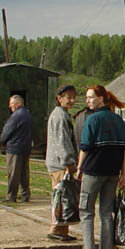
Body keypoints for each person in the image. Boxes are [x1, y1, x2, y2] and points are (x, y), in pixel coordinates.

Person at [76, 84, 125, 249]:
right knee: (107, 214)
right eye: (87, 97)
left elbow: (85, 147)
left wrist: (79, 167)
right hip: (112, 173)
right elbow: (124, 151)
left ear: (101, 98)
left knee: (86, 212)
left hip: (93, 171)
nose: (88, 101)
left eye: (90, 97)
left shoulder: (92, 120)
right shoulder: (118, 120)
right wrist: (124, 174)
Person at [45, 84, 79, 240]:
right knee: (61, 196)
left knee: (63, 196)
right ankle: (56, 229)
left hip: (58, 163)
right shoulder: (60, 116)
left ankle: (62, 230)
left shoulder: (62, 114)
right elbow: (62, 141)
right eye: (68, 97)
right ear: (59, 98)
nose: (71, 100)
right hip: (60, 165)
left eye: (73, 97)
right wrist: (69, 162)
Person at [0, 94, 33, 203]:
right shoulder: (27, 114)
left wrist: (1, 141)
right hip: (25, 148)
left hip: (14, 148)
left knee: (13, 173)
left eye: (11, 104)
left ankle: (11, 196)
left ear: (18, 104)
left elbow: (7, 131)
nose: (10, 106)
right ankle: (25, 195)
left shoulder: (16, 116)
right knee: (24, 174)